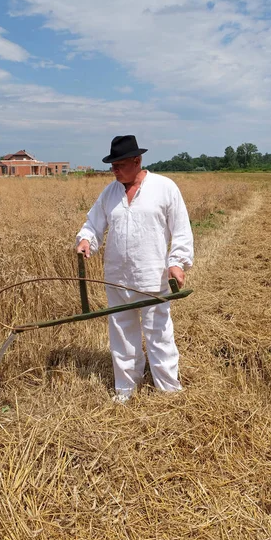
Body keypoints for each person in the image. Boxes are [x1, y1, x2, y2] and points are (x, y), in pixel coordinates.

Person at [76, 135, 194, 402]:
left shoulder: (165, 188)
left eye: (119, 164)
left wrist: (177, 262)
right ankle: (126, 390)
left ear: (137, 160)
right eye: (111, 165)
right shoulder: (110, 192)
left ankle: (168, 391)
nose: (114, 170)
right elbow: (93, 224)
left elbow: (182, 231)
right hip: (117, 278)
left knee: (159, 335)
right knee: (122, 333)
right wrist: (86, 240)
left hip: (152, 276)